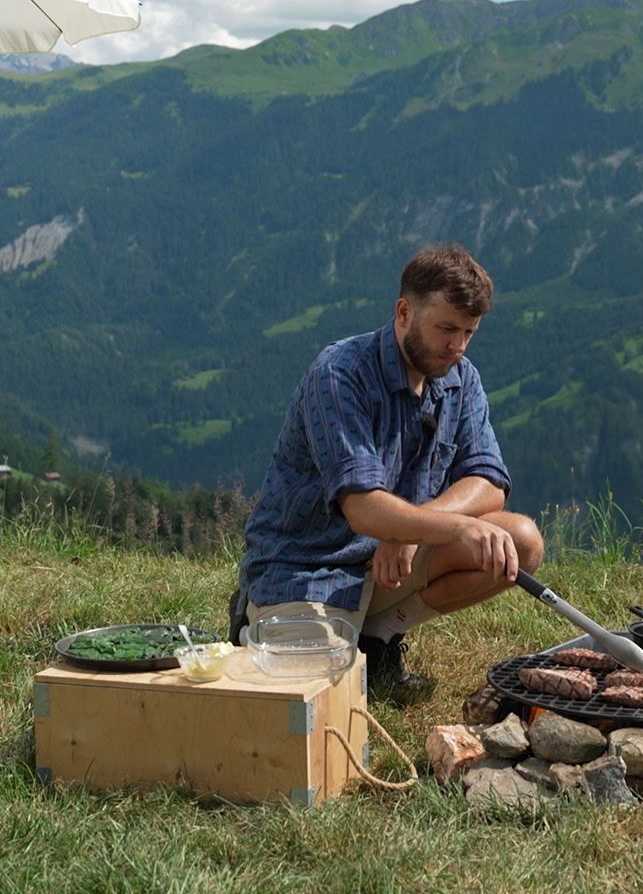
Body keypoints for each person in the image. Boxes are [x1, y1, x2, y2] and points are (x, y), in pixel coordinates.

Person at [231, 243, 543, 701]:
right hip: (307, 565)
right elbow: (362, 508)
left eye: (469, 333)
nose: (457, 346)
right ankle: (254, 617)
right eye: (446, 329)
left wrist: (414, 530)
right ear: (403, 313)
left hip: (389, 559)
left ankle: (377, 636)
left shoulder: (462, 378)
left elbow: (489, 480)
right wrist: (447, 527)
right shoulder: (340, 373)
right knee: (314, 698)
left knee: (519, 543)